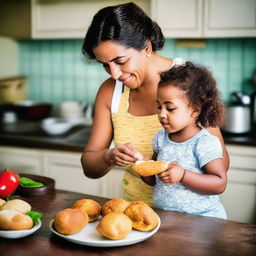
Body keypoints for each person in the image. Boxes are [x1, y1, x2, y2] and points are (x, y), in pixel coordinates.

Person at [81, 2, 229, 206]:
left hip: (192, 219)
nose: (114, 73)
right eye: (105, 65)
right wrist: (109, 157)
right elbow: (89, 166)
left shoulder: (188, 82)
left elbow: (221, 166)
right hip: (136, 214)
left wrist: (180, 171)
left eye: (121, 61)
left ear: (147, 47)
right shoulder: (110, 91)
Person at [142, 61, 227, 218]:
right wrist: (141, 165)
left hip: (204, 220)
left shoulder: (204, 142)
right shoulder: (160, 139)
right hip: (167, 218)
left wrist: (183, 175)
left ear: (195, 110)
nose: (162, 114)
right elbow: (153, 180)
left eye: (170, 108)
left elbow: (219, 183)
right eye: (159, 106)